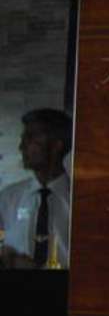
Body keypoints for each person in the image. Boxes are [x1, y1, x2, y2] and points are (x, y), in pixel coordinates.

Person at [0, 108, 72, 270]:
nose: (21, 147)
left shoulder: (79, 201)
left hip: (66, 285)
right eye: (23, 139)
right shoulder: (8, 198)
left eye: (31, 139)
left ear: (56, 146)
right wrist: (8, 257)